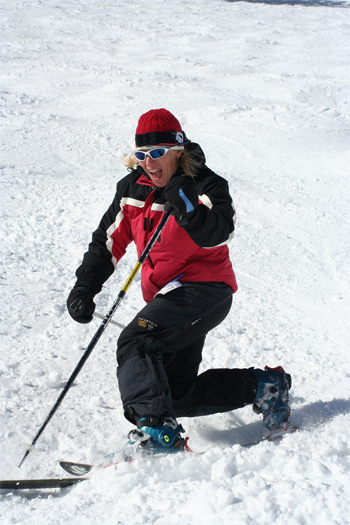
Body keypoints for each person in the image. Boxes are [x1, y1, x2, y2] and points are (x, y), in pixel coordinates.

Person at [67, 108, 291, 453]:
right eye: (142, 155)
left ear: (178, 151)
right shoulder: (133, 189)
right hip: (167, 298)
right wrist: (85, 286)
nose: (149, 163)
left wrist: (190, 210)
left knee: (136, 341)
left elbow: (220, 232)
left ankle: (159, 434)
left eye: (158, 153)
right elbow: (107, 242)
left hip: (206, 289)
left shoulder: (206, 184)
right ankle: (266, 387)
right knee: (174, 393)